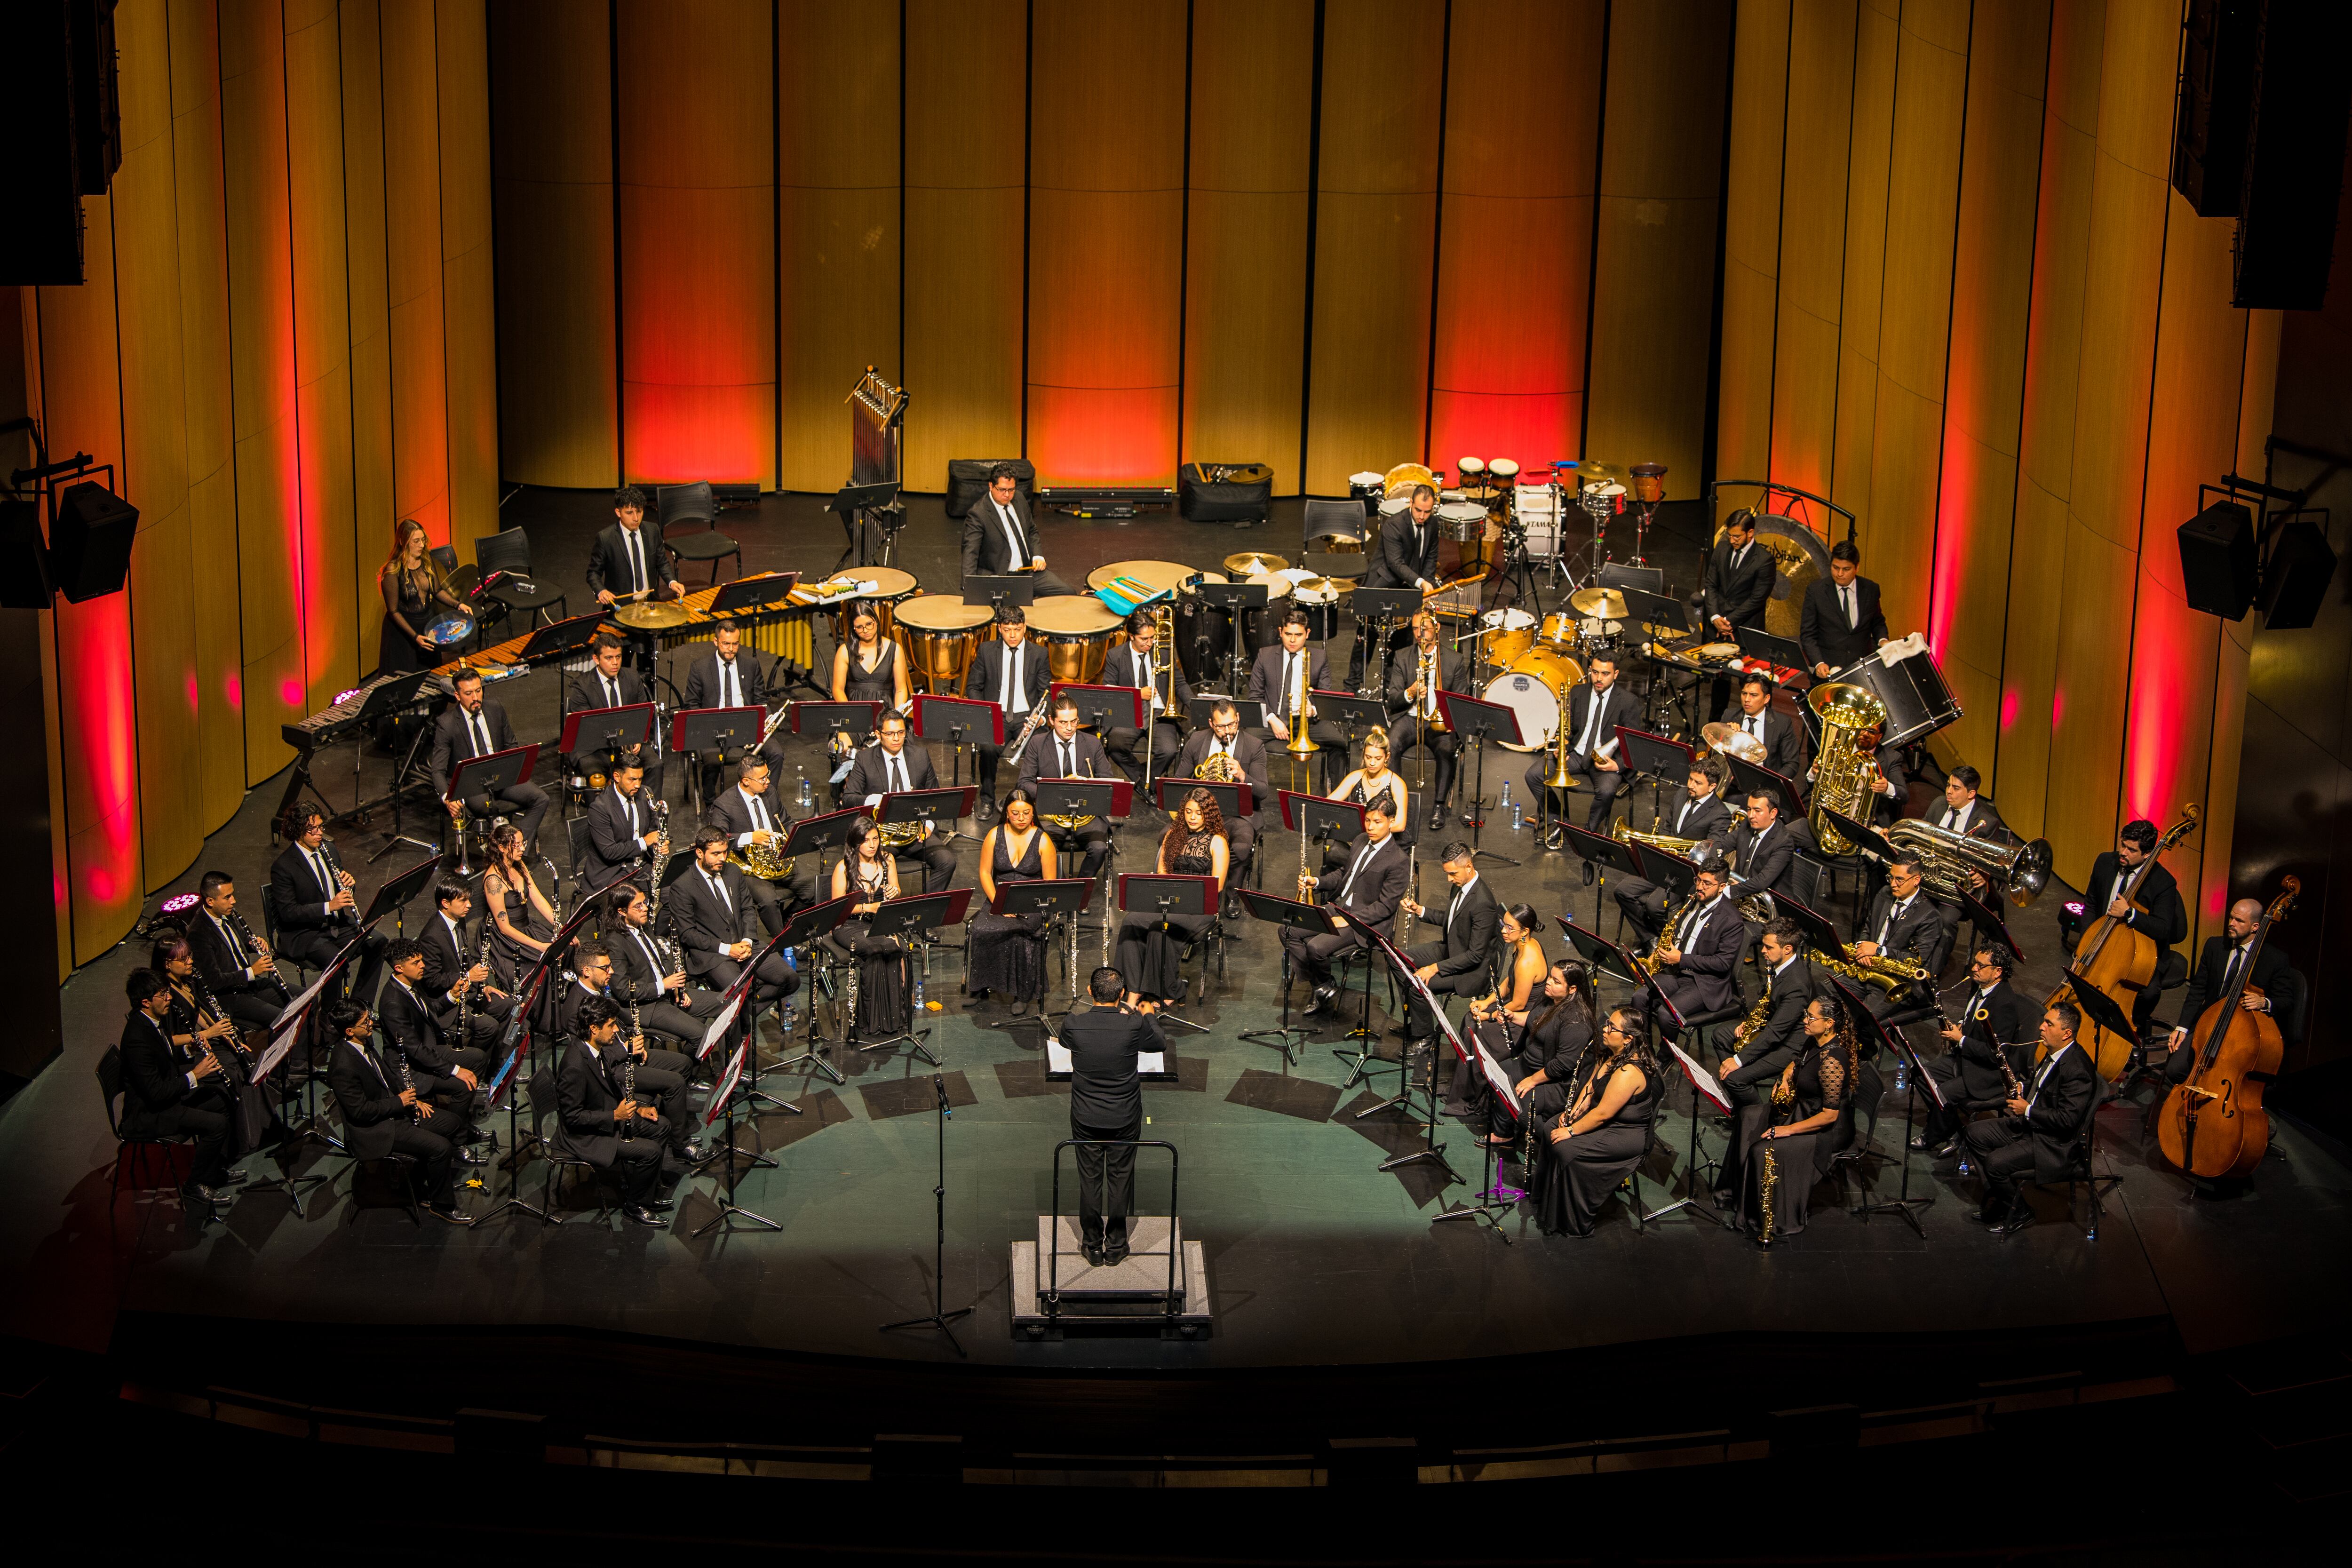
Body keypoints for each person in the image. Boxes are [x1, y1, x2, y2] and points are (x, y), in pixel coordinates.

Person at [322, 999, 477, 1221]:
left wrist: (412, 1100)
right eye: (365, 1022)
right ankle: (442, 1205)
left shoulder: (364, 1042)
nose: (371, 1024)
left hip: (394, 1111)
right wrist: (400, 1102)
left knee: (451, 1122)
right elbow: (360, 1112)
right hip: (377, 1129)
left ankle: (417, 1184)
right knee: (441, 1148)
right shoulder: (342, 1066)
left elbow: (387, 1078)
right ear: (349, 1031)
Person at [1963, 1001, 2097, 1234]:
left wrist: (2026, 1110)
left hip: (2052, 1141)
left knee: (1995, 1163)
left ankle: (2021, 1211)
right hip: (2033, 1125)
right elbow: (2044, 1085)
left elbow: (2067, 1120)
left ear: (2066, 1034)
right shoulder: (2054, 1051)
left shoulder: (2077, 1070)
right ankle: (2004, 1198)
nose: (2041, 1027)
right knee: (1974, 1133)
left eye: (2049, 1024)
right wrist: (2024, 1087)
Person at [1060, 965, 1164, 1264]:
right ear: (1122, 995)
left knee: (1089, 1179)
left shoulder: (1072, 1023)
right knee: (1121, 1178)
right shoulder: (1133, 1025)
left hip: (1086, 1117)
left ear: (1090, 992)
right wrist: (1146, 1012)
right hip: (1124, 1117)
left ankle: (1092, 1245)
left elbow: (1068, 1043)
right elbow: (1158, 1043)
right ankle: (1117, 1247)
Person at [1735, 992, 1859, 1242]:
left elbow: (1829, 1116)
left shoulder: (1832, 1060)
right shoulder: (1815, 1041)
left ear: (1829, 1023)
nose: (1805, 1020)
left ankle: (1771, 1218)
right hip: (1805, 1109)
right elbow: (1798, 1062)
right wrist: (1786, 1077)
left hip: (1828, 1132)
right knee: (1748, 1115)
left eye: (1811, 1017)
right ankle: (1738, 1194)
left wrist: (1787, 1130)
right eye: (1806, 1015)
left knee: (1762, 1150)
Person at [1530, 1004, 1660, 1238]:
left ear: (1628, 1038)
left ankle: (1569, 1221)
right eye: (1608, 1023)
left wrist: (1571, 1132)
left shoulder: (1629, 1072)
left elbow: (1603, 1115)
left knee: (1565, 1146)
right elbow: (1590, 1089)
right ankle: (1545, 1199)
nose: (1605, 1028)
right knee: (1551, 1125)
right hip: (1606, 1121)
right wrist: (1572, 1114)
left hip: (1624, 1134)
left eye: (1612, 1027)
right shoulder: (1610, 1055)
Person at [119, 970, 237, 1208]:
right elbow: (156, 1093)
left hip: (165, 1099)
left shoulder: (151, 1020)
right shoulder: (137, 1037)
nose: (169, 998)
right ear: (146, 1002)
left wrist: (189, 1051)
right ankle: (195, 1184)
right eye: (163, 995)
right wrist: (195, 1074)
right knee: (217, 1125)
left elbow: (164, 1055)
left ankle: (212, 1171)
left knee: (221, 1100)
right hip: (148, 1113)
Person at [152, 936, 277, 1157]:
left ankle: (264, 1126)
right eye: (184, 959)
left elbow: (199, 1011)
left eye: (190, 956)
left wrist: (225, 1034)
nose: (190, 961)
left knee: (245, 1060)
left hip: (201, 1042)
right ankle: (241, 1141)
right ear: (167, 964)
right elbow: (167, 1040)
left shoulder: (186, 981)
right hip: (185, 1056)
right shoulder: (164, 996)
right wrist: (208, 1034)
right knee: (232, 1071)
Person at [1286, 799, 1410, 1016]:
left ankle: (1321, 988)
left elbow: (1385, 907)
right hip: (1339, 907)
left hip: (1365, 923)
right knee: (1289, 930)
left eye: (1378, 822)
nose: (1370, 827)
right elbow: (1345, 874)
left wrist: (1349, 920)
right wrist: (1317, 882)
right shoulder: (1361, 840)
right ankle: (1322, 986)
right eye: (1368, 820)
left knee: (1316, 948)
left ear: (1391, 822)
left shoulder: (1398, 860)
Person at [2065, 819, 2189, 1035]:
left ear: (2148, 854)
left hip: (2141, 950)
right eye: (2123, 845)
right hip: (2101, 940)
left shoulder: (2163, 883)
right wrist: (2088, 941)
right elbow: (2092, 904)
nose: (2123, 852)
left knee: (2149, 992)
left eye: (2132, 850)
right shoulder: (2105, 862)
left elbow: (2162, 929)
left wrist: (2130, 914)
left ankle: (2131, 1033)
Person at [556, 996, 670, 1227]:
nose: (617, 1030)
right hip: (585, 1136)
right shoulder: (575, 1066)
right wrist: (615, 1116)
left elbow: (610, 1090)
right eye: (611, 1025)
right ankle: (634, 1206)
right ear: (594, 1028)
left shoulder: (596, 1049)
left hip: (606, 1115)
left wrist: (637, 1108)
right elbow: (572, 1118)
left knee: (663, 1126)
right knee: (651, 1151)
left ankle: (644, 1192)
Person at [1396, 843, 1501, 1090]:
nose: (1448, 878)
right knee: (1400, 958)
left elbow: (1476, 955)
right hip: (1453, 950)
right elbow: (1453, 918)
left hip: (1471, 970)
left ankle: (1424, 1039)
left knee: (1419, 985)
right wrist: (1421, 911)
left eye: (1453, 873)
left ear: (1469, 866)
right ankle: (1418, 1020)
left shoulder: (1483, 902)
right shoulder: (1461, 885)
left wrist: (1436, 968)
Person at [1116, 787, 1229, 1006]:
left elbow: (1217, 886)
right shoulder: (1173, 835)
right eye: (1188, 812)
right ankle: (1133, 991)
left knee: (1160, 929)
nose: (1193, 817)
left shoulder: (1218, 842)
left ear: (1209, 814)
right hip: (1169, 902)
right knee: (1131, 922)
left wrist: (1184, 896)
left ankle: (1168, 991)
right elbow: (1163, 872)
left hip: (1201, 908)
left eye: (1198, 812)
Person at [2161, 898, 2293, 1082]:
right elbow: (2197, 990)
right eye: (2231, 918)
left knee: (2227, 1075)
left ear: (2255, 927)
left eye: (2239, 921)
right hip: (2209, 1022)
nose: (2231, 924)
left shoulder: (2275, 959)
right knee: (2175, 1070)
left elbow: (2286, 1000)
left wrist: (2264, 1002)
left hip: (2243, 1031)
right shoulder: (2214, 946)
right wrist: (2182, 1028)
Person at [670, 828, 800, 1013]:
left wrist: (747, 941)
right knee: (738, 994)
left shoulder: (733, 872)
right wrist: (728, 949)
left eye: (724, 852)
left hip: (746, 945)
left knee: (790, 980)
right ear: (699, 853)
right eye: (715, 854)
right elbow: (688, 934)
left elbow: (747, 909)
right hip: (714, 955)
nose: (722, 858)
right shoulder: (683, 887)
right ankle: (742, 1015)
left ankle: (744, 1013)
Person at [1917, 943, 2030, 1153]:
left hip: (1988, 1072)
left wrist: (1961, 1040)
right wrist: (1961, 1025)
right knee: (1920, 1075)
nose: (1974, 968)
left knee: (1945, 1093)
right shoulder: (1979, 986)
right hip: (1967, 1057)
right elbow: (1971, 1016)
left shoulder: (2004, 1005)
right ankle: (1953, 1130)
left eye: (1981, 965)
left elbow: (1995, 1054)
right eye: (1975, 963)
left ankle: (1932, 1137)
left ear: (1998, 972)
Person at [1609, 757, 1738, 942]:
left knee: (1655, 906)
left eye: (1698, 783)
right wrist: (1661, 849)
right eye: (1691, 779)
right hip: (1664, 861)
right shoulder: (1681, 794)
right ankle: (1652, 939)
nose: (1691, 785)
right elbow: (1667, 828)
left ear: (1712, 787)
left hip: (1686, 872)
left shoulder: (1720, 814)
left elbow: (1711, 851)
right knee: (1623, 890)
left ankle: (1668, 943)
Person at [267, 806, 387, 998]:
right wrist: (329, 906)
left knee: (378, 942)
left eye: (321, 827)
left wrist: (349, 885)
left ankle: (360, 1004)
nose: (319, 833)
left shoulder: (328, 849)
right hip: (305, 933)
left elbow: (339, 890)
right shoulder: (284, 866)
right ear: (297, 831)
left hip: (335, 924)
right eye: (312, 829)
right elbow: (289, 913)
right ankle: (329, 1016)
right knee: (336, 961)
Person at [429, 667, 550, 852]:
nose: (476, 697)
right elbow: (438, 770)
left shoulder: (494, 708)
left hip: (501, 776)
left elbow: (511, 744)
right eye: (469, 693)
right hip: (472, 784)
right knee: (487, 809)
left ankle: (515, 850)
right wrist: (448, 797)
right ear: (457, 695)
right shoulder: (447, 724)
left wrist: (512, 769)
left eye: (478, 691)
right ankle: (502, 849)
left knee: (541, 798)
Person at [842, 709, 959, 892]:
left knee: (948, 862)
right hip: (883, 836)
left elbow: (935, 795)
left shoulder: (920, 756)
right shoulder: (865, 759)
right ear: (879, 734)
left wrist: (928, 824)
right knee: (875, 867)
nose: (896, 738)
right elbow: (849, 799)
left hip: (917, 833)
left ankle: (923, 910)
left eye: (901, 733)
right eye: (890, 734)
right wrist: (877, 800)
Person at [1483, 960, 1597, 1149]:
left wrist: (1533, 1080)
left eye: (1557, 981)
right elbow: (1534, 1019)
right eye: (1551, 977)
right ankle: (1504, 1134)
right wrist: (1512, 1016)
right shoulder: (1549, 999)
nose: (1549, 983)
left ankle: (1553, 1142)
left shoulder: (1576, 1020)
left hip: (1554, 1081)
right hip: (1528, 1064)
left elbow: (1563, 1064)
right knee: (1496, 1075)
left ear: (1572, 989)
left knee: (1520, 1109)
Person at [375, 939, 486, 1126]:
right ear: (399, 968)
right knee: (463, 1087)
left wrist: (453, 994)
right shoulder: (393, 1003)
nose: (423, 966)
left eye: (421, 960)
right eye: (416, 963)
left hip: (427, 1049)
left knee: (479, 1058)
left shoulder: (410, 982)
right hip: (412, 1068)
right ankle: (459, 1136)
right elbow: (415, 1051)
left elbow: (429, 1010)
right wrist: (455, 1070)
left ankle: (464, 1116)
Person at [1524, 649, 1632, 839]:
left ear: (1616, 674)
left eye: (1605, 674)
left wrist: (1618, 765)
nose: (1599, 678)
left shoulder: (1628, 701)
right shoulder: (1578, 692)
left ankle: (1587, 834)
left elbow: (1632, 742)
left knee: (1607, 792)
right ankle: (1558, 820)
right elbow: (1565, 727)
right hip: (1575, 754)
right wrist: (1561, 746)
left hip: (1605, 760)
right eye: (1595, 672)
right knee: (1533, 775)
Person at [703, 756, 818, 932]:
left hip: (779, 858)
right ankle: (782, 944)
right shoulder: (725, 804)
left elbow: (786, 820)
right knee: (769, 901)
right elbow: (718, 838)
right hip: (751, 868)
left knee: (815, 888)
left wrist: (795, 836)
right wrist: (751, 837)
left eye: (768, 775)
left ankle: (788, 927)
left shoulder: (770, 792)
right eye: (763, 778)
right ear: (746, 781)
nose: (768, 781)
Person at [968, 787, 1057, 1015]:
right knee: (981, 928)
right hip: (999, 898)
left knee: (1019, 932)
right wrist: (1000, 903)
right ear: (1007, 813)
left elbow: (1050, 885)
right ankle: (981, 986)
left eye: (1026, 813)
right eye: (1015, 813)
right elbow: (985, 874)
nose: (1021, 818)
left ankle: (1023, 992)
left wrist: (1025, 906)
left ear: (1033, 811)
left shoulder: (1043, 841)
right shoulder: (994, 835)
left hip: (1032, 902)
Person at [826, 816, 912, 1039]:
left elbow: (896, 890)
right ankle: (872, 1020)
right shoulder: (843, 867)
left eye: (876, 839)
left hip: (879, 921)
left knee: (896, 947)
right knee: (874, 949)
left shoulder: (888, 861)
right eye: (866, 841)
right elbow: (837, 910)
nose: (873, 845)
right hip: (849, 925)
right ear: (856, 843)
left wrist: (895, 892)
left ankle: (894, 1018)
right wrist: (869, 907)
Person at [1016, 694, 1115, 883]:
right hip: (1051, 815)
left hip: (1087, 815)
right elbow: (1024, 782)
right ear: (1052, 721)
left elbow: (1108, 781)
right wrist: (1056, 794)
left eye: (1074, 722)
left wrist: (1087, 784)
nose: (1069, 728)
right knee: (1045, 848)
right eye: (1063, 722)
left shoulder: (1092, 743)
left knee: (1099, 848)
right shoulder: (1038, 743)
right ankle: (1058, 887)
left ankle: (1081, 888)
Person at [585, 485, 683, 677]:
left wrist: (672, 582)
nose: (636, 518)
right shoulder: (606, 539)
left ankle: (648, 699)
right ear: (618, 512)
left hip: (650, 606)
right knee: (624, 667)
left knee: (648, 666)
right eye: (629, 513)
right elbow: (593, 574)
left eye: (639, 512)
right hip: (622, 610)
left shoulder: (652, 531)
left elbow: (662, 562)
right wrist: (601, 591)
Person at [607, 884, 723, 1044]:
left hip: (668, 993)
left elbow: (662, 957)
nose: (645, 908)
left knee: (727, 1004)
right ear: (622, 912)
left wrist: (675, 987)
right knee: (704, 1035)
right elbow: (624, 991)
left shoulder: (643, 924)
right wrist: (664, 985)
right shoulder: (614, 942)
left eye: (645, 902)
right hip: (647, 1007)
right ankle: (684, 1067)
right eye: (638, 906)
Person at [1352, 483, 1442, 685]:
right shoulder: (1394, 524)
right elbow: (1396, 564)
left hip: (1409, 586)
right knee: (1368, 636)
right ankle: (1353, 685)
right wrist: (1421, 583)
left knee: (1402, 637)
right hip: (1383, 582)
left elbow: (1430, 557)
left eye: (1427, 512)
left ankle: (1391, 688)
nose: (1422, 516)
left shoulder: (1433, 524)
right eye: (1418, 510)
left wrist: (1427, 585)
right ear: (1411, 503)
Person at [1171, 700, 1270, 883]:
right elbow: (1178, 782)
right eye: (1221, 727)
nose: (1228, 731)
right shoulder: (1197, 740)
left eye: (1232, 724)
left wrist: (1242, 775)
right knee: (1165, 837)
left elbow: (1263, 791)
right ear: (1211, 724)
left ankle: (1230, 891)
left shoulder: (1254, 746)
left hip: (1238, 815)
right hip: (1200, 813)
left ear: (1238, 718)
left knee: (1241, 848)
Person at [964, 605, 1051, 814]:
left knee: (1044, 748)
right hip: (997, 714)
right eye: (1007, 629)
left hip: (1027, 716)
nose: (1013, 635)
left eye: (1018, 629)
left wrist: (1040, 718)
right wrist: (987, 711)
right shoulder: (986, 650)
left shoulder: (1039, 654)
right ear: (999, 628)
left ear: (1025, 628)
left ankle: (1026, 797)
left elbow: (1046, 691)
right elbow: (973, 686)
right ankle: (987, 799)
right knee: (987, 749)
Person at [1248, 610, 1348, 791]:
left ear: (1307, 634)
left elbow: (1325, 694)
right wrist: (1272, 719)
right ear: (1280, 632)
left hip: (1308, 722)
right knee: (1245, 742)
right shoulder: (1265, 655)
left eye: (1298, 635)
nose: (1293, 640)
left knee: (1339, 744)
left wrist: (1314, 709)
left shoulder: (1319, 657)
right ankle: (1251, 794)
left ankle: (1337, 798)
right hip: (1273, 719)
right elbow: (1255, 695)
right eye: (1288, 634)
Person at [683, 618, 778, 797]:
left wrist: (767, 722)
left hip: (746, 727)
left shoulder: (751, 665)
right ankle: (711, 801)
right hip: (714, 729)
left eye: (735, 644)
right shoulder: (700, 668)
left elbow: (760, 700)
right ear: (716, 641)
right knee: (712, 761)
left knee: (776, 753)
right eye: (726, 643)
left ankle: (768, 798)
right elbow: (692, 705)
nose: (731, 649)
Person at [1385, 611, 1463, 828]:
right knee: (1391, 744)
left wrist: (1450, 722)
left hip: (1439, 723)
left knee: (1447, 748)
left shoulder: (1454, 660)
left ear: (1437, 629)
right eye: (1416, 629)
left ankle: (1439, 805)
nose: (1421, 634)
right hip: (1410, 718)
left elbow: (1461, 698)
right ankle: (1394, 804)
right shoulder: (1402, 656)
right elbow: (1392, 699)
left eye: (1425, 628)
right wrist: (1409, 693)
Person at [183, 870, 290, 1028]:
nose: (234, 901)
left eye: (232, 895)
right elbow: (213, 981)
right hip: (231, 996)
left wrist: (253, 944)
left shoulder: (228, 913)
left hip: (250, 985)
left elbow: (241, 940)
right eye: (227, 898)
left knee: (306, 999)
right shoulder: (198, 934)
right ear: (210, 901)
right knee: (284, 1020)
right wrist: (252, 972)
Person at [1646, 859, 1745, 1025]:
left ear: (1722, 887)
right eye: (1698, 880)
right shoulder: (1695, 894)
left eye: (1707, 884)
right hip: (1675, 971)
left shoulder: (1732, 920)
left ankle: (1668, 1052)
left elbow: (1723, 963)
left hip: (1703, 982)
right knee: (1640, 998)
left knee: (1667, 1014)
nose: (1700, 887)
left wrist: (1681, 959)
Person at [565, 633, 665, 798]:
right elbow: (586, 728)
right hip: (596, 749)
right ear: (596, 659)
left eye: (618, 657)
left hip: (629, 744)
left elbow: (643, 715)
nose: (615, 663)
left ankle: (650, 813)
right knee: (595, 775)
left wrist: (638, 738)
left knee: (656, 765)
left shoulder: (632, 677)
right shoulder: (582, 686)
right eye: (609, 658)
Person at [1851, 853, 1947, 1022]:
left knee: (1861, 1018)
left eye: (1900, 880)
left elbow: (1918, 960)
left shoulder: (1929, 916)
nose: (1893, 884)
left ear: (1916, 880)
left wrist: (1879, 951)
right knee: (1827, 997)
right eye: (1891, 877)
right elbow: (1868, 926)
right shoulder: (1884, 894)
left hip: (1899, 983)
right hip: (1867, 968)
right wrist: (1863, 947)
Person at [1099, 609, 1193, 781]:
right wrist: (1137, 694)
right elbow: (1109, 690)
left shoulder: (1164, 653)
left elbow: (1179, 683)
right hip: (1129, 712)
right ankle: (1143, 780)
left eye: (1153, 638)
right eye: (1144, 639)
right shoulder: (1116, 655)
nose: (1150, 643)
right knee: (1116, 746)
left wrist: (1194, 704)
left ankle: (1145, 781)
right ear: (1131, 636)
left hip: (1159, 712)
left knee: (1169, 750)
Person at [415, 879, 508, 1053]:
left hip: (467, 989)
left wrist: (483, 984)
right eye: (463, 900)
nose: (469, 905)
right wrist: (467, 977)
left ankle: (498, 1065)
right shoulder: (431, 937)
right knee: (489, 1027)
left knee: (507, 1005)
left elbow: (466, 957)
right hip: (447, 1000)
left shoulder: (458, 920)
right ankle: (476, 1066)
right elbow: (432, 980)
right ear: (445, 903)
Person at [1696, 509, 1773, 716]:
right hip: (1719, 625)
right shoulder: (1722, 550)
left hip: (1745, 629)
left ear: (1750, 534)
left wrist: (1729, 621)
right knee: (1719, 683)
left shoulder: (1764, 560)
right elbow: (1711, 585)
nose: (1733, 540)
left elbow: (1757, 599)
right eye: (1730, 535)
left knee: (1749, 686)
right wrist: (1715, 618)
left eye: (1737, 536)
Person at [960, 462, 1072, 596]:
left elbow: (1032, 531)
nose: (1007, 495)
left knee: (1069, 594)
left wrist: (1038, 555)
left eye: (1011, 490)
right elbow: (970, 552)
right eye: (1002, 490)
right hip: (1001, 576)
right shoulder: (979, 514)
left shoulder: (1019, 498)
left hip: (1030, 571)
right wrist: (970, 587)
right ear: (991, 486)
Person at [375, 517, 466, 675]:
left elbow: (437, 591)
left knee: (431, 676)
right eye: (416, 541)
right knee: (406, 681)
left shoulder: (427, 560)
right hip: (403, 633)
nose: (422, 545)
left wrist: (457, 605)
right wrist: (415, 636)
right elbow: (394, 611)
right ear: (404, 542)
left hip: (426, 626)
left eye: (423, 540)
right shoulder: (392, 570)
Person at [481, 822, 560, 995]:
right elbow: (504, 927)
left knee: (564, 948)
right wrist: (540, 946)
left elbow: (538, 899)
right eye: (516, 845)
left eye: (522, 843)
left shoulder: (519, 864)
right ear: (502, 848)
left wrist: (561, 928)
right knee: (543, 967)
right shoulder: (493, 881)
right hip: (507, 938)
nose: (522, 848)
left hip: (527, 926)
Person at [1797, 539, 1889, 678]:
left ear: (1857, 568)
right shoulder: (1816, 591)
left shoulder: (1871, 589)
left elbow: (1877, 623)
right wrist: (1818, 663)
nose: (1840, 574)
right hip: (1828, 670)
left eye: (1846, 569)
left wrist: (1883, 641)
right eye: (1835, 568)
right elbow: (1808, 634)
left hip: (1862, 670)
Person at [1710, 785, 1813, 907]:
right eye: (1749, 809)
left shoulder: (1783, 842)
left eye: (1758, 811)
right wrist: (1715, 872)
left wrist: (1726, 891)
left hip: (1770, 904)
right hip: (1744, 893)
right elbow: (1721, 844)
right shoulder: (1748, 825)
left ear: (1773, 813)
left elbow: (1762, 882)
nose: (1751, 815)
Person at [1323, 732, 1410, 869]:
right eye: (1368, 757)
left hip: (1385, 841)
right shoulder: (1355, 777)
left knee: (1373, 863)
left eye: (1378, 758)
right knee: (1334, 855)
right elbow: (1327, 804)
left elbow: (1400, 824)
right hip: (1356, 839)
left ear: (1387, 757)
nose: (1372, 762)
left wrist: (1371, 829)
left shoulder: (1397, 784)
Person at [581, 757, 666, 891]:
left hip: (642, 865)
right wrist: (645, 842)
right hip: (613, 872)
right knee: (634, 901)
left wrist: (657, 846)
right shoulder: (600, 808)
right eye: (632, 780)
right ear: (617, 777)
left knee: (675, 894)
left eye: (640, 779)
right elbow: (609, 852)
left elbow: (653, 830)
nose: (638, 785)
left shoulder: (645, 794)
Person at [1716, 672, 1806, 783]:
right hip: (1733, 782)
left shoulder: (1782, 723)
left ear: (1766, 699)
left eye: (1754, 695)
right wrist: (1727, 735)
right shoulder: (1729, 716)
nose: (1747, 699)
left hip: (1765, 783)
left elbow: (1792, 764)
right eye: (1744, 694)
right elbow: (1716, 755)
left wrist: (1772, 783)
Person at [831, 600, 909, 714]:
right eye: (859, 627)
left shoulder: (896, 650)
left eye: (869, 624)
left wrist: (897, 715)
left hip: (886, 714)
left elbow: (901, 689)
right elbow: (838, 689)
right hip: (854, 712)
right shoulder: (844, 651)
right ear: (853, 628)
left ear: (876, 622)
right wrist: (849, 713)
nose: (865, 630)